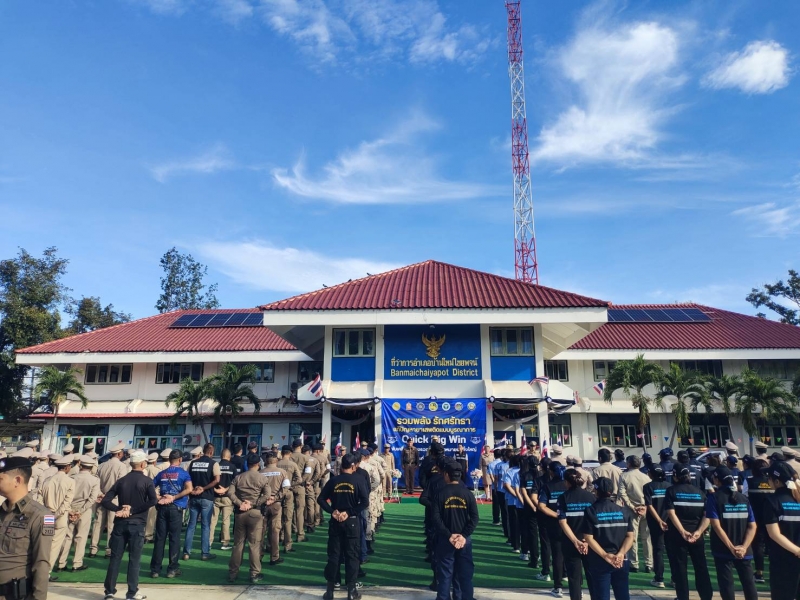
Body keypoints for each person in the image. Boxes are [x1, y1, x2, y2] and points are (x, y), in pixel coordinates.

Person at [102, 449, 157, 600]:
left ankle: (109, 592)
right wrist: (132, 510)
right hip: (137, 524)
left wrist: (119, 509)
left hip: (120, 524)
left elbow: (106, 501)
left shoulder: (122, 480)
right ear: (143, 464)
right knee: (134, 559)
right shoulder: (147, 481)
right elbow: (153, 500)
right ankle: (132, 592)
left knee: (115, 558)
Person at [0, 455, 54, 600]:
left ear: (17, 481)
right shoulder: (2, 511)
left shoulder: (40, 515)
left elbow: (41, 563)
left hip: (14, 595)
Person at [318, 453, 370, 600]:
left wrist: (332, 511)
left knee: (334, 555)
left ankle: (330, 590)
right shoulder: (358, 480)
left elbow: (321, 499)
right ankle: (351, 590)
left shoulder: (334, 480)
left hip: (336, 520)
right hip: (351, 521)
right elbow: (365, 502)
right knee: (351, 555)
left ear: (341, 466)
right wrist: (349, 512)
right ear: (353, 466)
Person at [706, 465, 758, 600]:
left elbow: (716, 526)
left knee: (726, 584)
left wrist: (731, 548)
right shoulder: (743, 498)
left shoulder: (714, 498)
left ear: (717, 480)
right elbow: (752, 526)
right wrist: (744, 547)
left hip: (722, 548)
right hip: (744, 549)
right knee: (749, 582)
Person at [430, 459, 479, 600]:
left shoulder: (440, 493)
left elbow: (435, 518)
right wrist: (463, 535)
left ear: (446, 474)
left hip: (446, 539)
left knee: (445, 574)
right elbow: (474, 518)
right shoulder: (468, 494)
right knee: (465, 575)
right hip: (464, 540)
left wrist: (449, 535)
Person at [663, 465, 713, 600]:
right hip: (697, 537)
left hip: (677, 536)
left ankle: (683, 597)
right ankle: (706, 596)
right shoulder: (700, 492)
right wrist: (699, 531)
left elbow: (671, 513)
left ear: (675, 476)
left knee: (680, 568)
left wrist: (682, 531)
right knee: (701, 567)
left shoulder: (671, 491)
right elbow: (707, 515)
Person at [582, 477, 636, 600]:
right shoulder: (623, 511)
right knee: (623, 596)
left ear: (596, 491)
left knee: (601, 596)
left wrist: (605, 555)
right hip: (621, 560)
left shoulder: (591, 511)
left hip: (600, 560)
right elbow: (630, 536)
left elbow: (588, 538)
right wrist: (621, 553)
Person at [225, 453, 271, 584]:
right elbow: (267, 494)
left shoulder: (239, 477)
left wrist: (240, 503)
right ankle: (254, 574)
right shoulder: (262, 478)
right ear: (258, 464)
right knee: (254, 545)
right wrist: (254, 503)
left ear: (247, 464)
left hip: (240, 513)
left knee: (238, 545)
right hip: (255, 513)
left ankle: (233, 573)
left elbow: (230, 493)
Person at [150, 450, 193, 579]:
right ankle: (172, 569)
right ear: (180, 460)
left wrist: (159, 497)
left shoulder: (162, 473)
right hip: (176, 507)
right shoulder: (183, 473)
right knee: (174, 539)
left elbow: (150, 487)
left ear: (169, 460)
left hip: (162, 507)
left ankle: (155, 570)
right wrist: (174, 497)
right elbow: (189, 489)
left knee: (160, 538)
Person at [763, 460, 800, 600]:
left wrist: (797, 551)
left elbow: (774, 534)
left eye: (769, 477)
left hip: (782, 560)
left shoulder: (772, 501)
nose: (768, 480)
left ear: (777, 481)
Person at [56, 455, 99, 572]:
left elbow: (66, 496)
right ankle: (77, 563)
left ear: (80, 465)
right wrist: (80, 511)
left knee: (67, 537)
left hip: (69, 509)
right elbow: (92, 499)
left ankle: (61, 563)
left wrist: (71, 510)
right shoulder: (94, 480)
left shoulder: (72, 478)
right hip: (84, 510)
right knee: (81, 537)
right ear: (91, 467)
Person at [556, 468, 595, 600]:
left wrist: (576, 541)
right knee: (592, 576)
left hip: (570, 543)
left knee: (574, 577)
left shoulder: (563, 498)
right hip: (590, 543)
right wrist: (586, 541)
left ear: (566, 482)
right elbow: (594, 522)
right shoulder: (591, 497)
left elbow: (563, 522)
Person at [91, 442, 129, 558]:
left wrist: (101, 494)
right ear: (119, 454)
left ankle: (93, 549)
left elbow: (96, 482)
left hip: (101, 497)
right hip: (114, 499)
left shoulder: (101, 465)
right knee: (111, 524)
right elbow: (121, 484)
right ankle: (109, 549)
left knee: (98, 523)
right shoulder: (121, 466)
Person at [183, 443, 220, 561]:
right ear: (212, 452)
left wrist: (193, 489)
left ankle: (186, 552)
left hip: (193, 497)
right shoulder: (214, 463)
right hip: (207, 497)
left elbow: (187, 478)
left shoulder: (192, 463)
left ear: (203, 451)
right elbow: (217, 480)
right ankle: (205, 553)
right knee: (205, 526)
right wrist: (203, 488)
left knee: (191, 525)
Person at [41, 455, 75, 581]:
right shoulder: (70, 481)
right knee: (54, 546)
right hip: (59, 517)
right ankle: (46, 573)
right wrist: (56, 515)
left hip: (47, 514)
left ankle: (40, 570)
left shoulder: (47, 480)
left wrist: (48, 514)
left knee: (45, 544)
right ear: (66, 467)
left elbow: (40, 499)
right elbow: (66, 503)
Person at [618, 455, 652, 574]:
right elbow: (649, 494)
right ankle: (649, 563)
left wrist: (632, 507)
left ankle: (634, 563)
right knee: (647, 537)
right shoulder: (646, 477)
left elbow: (622, 493)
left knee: (632, 537)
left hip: (631, 509)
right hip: (645, 508)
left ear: (628, 464)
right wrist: (645, 507)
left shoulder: (624, 476)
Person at [537, 461, 568, 593]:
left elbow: (541, 506)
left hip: (553, 523)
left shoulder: (547, 486)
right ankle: (569, 579)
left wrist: (557, 515)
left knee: (556, 553)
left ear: (550, 472)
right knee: (570, 553)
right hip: (570, 524)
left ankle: (557, 584)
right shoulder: (568, 486)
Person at [743, 458, 772, 583]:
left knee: (757, 545)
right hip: (771, 518)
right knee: (772, 545)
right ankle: (774, 572)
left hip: (755, 517)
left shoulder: (749, 481)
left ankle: (759, 573)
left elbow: (744, 498)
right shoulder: (772, 481)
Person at [259, 453, 291, 566]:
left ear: (266, 461)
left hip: (263, 504)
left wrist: (264, 499)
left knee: (261, 532)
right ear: (276, 461)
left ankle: (258, 556)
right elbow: (286, 487)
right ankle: (274, 557)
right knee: (275, 532)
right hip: (276, 504)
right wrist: (276, 497)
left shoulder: (260, 472)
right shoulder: (282, 472)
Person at [642, 465, 670, 588]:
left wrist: (659, 521)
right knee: (672, 551)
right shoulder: (669, 486)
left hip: (655, 523)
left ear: (651, 474)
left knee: (658, 550)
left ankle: (659, 579)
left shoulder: (648, 487)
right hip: (670, 522)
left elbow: (649, 505)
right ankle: (675, 579)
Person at [277, 446, 301, 552]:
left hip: (277, 493)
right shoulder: (293, 464)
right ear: (290, 454)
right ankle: (287, 544)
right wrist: (290, 485)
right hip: (288, 492)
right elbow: (299, 479)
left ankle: (275, 541)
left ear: (281, 453)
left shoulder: (276, 464)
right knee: (288, 519)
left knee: (276, 519)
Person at [210, 448, 235, 550]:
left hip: (215, 497)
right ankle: (225, 543)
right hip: (228, 497)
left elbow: (210, 480)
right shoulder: (232, 467)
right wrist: (225, 489)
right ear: (229, 457)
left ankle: (208, 542)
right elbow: (235, 482)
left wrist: (216, 490)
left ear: (221, 456)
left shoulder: (215, 465)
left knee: (212, 520)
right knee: (226, 521)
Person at [518, 455, 540, 568]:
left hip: (530, 508)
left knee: (532, 533)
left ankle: (534, 559)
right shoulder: (541, 475)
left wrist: (532, 506)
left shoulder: (524, 475)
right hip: (542, 507)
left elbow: (524, 493)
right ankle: (545, 560)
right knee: (544, 535)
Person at [290, 439, 310, 541]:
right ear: (301, 446)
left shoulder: (288, 457)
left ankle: (287, 533)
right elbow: (308, 472)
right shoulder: (305, 458)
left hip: (288, 486)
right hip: (300, 486)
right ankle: (300, 534)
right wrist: (301, 480)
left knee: (288, 511)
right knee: (299, 511)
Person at [502, 455, 522, 554]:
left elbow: (506, 485)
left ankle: (515, 544)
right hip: (523, 502)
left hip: (512, 500)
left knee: (514, 524)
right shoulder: (523, 471)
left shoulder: (510, 471)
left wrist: (515, 495)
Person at [488, 449, 501, 525]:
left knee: (496, 504)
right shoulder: (503, 464)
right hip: (503, 487)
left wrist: (495, 484)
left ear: (494, 455)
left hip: (495, 487)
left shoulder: (491, 464)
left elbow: (491, 476)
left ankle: (496, 520)